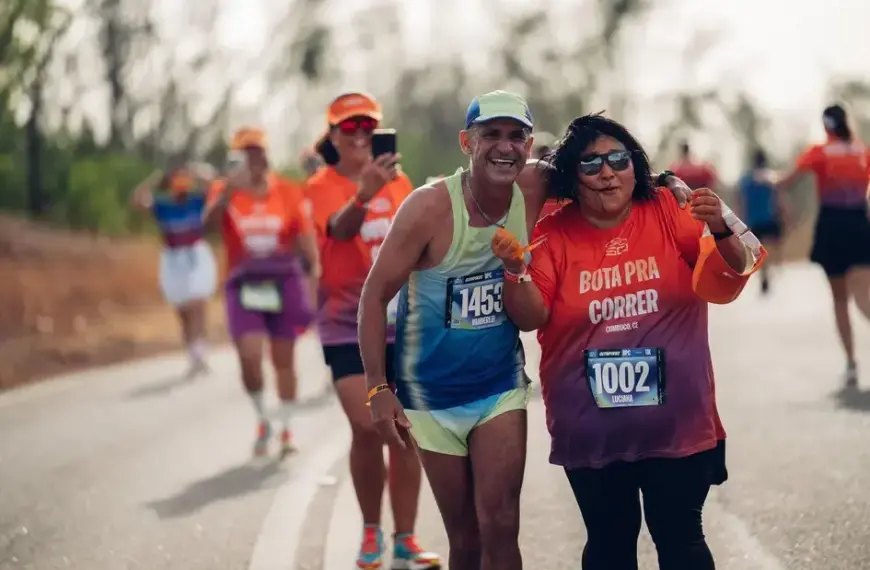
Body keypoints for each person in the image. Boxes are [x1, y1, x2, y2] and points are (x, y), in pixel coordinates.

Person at [358, 91, 698, 570]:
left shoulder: (536, 185)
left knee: (500, 523)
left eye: (516, 135)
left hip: (498, 387)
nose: (504, 146)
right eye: (490, 135)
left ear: (529, 143)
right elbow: (373, 297)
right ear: (466, 141)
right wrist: (377, 386)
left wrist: (665, 178)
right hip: (429, 397)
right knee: (466, 537)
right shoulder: (427, 209)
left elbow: (604, 167)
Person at [490, 113, 765, 570]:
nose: (607, 172)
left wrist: (720, 227)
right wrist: (515, 271)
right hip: (591, 429)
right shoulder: (554, 232)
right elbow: (529, 315)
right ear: (571, 178)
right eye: (591, 164)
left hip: (677, 425)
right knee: (610, 544)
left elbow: (734, 268)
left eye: (618, 159)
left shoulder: (666, 207)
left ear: (635, 165)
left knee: (681, 539)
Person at [304, 92, 441, 570]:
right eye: (349, 128)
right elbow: (339, 231)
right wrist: (363, 193)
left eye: (369, 127)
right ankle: (369, 529)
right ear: (333, 137)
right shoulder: (320, 185)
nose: (360, 136)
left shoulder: (400, 183)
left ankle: (404, 537)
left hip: (403, 323)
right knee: (366, 425)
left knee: (405, 430)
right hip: (344, 324)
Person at [203, 127, 320, 457]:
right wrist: (227, 192)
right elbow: (206, 226)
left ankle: (286, 429)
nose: (252, 160)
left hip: (283, 281)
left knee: (284, 361)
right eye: (245, 153)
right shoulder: (224, 191)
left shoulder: (287, 191)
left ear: (266, 155)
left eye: (257, 152)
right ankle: (262, 418)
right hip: (244, 283)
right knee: (250, 358)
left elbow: (304, 237)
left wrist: (313, 277)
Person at [775, 103, 870, 387]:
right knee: (865, 297)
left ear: (825, 125)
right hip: (859, 225)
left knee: (840, 299)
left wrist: (773, 183)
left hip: (832, 227)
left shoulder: (819, 152)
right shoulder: (861, 152)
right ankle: (851, 364)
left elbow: (786, 181)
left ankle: (852, 364)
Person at [130, 158, 218, 378]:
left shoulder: (197, 201)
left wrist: (196, 171)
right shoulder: (163, 206)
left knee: (198, 301)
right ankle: (193, 352)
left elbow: (216, 185)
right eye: (176, 178)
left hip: (196, 255)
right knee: (183, 310)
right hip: (173, 259)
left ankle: (200, 352)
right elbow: (136, 200)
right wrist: (154, 179)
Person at [737, 148, 786, 294]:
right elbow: (778, 198)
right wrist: (784, 212)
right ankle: (773, 268)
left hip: (754, 219)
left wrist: (740, 220)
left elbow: (741, 201)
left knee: (760, 249)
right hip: (769, 217)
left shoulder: (746, 180)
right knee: (775, 246)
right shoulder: (770, 177)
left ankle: (765, 272)